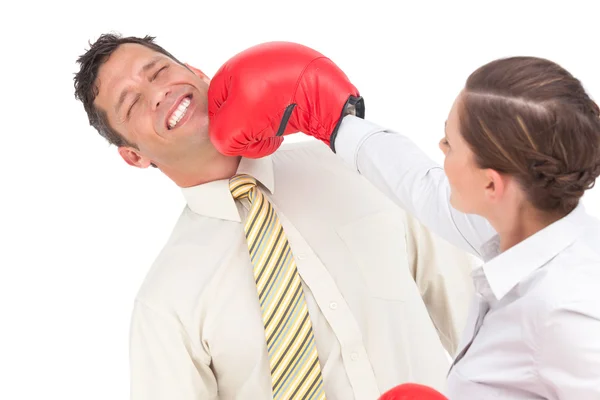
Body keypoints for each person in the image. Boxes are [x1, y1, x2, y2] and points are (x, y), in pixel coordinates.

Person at [73, 34, 478, 400]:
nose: (156, 92)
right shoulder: (164, 304)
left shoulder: (356, 167)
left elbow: (473, 321)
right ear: (134, 156)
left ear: (197, 73)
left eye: (158, 71)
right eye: (132, 102)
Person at [208, 42, 600, 399]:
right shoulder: (525, 222)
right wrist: (336, 123)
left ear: (491, 184)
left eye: (450, 143)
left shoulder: (567, 315)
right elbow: (420, 186)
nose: (440, 149)